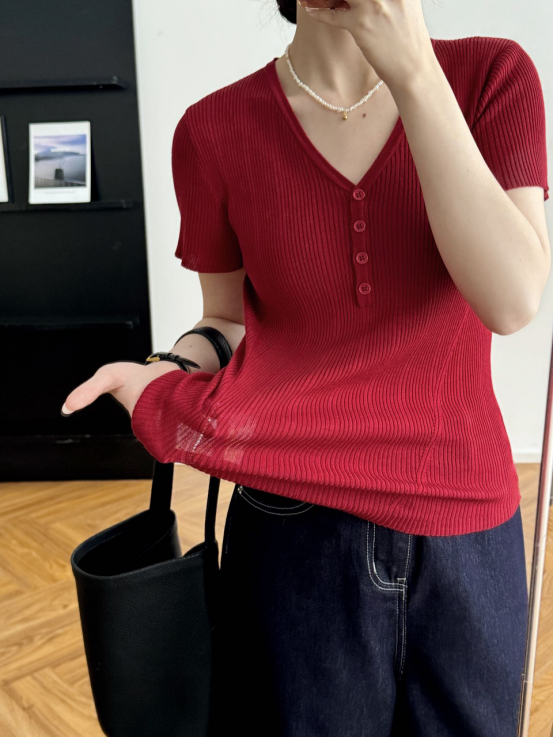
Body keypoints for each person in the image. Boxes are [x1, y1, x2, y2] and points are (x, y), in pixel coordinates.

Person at [61, 1, 550, 735]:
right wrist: (165, 370)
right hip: (290, 524)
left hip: (463, 522)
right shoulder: (213, 128)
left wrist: (414, 72)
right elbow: (225, 318)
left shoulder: (490, 76)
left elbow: (510, 301)